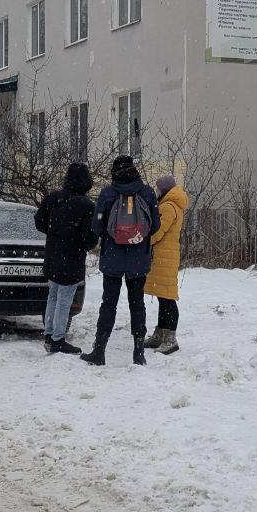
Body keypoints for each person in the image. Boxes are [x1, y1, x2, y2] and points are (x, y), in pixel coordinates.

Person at [81, 155, 160, 367]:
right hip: (138, 259)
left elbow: (97, 227)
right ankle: (138, 352)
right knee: (137, 304)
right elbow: (155, 226)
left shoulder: (108, 193)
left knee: (109, 304)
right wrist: (137, 236)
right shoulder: (147, 192)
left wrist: (113, 236)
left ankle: (99, 351)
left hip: (112, 259)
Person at [34, 163, 99, 355]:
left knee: (53, 295)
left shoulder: (53, 198)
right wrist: (78, 241)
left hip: (53, 253)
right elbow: (90, 238)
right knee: (64, 299)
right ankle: (58, 339)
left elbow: (39, 221)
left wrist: (55, 233)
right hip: (72, 256)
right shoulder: (87, 205)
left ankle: (49, 334)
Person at [144, 175, 189, 355]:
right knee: (164, 296)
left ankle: (170, 339)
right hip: (165, 256)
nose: (156, 191)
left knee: (168, 298)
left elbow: (157, 231)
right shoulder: (171, 205)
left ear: (164, 190)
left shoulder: (168, 207)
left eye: (158, 188)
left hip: (164, 256)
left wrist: (144, 241)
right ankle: (161, 333)